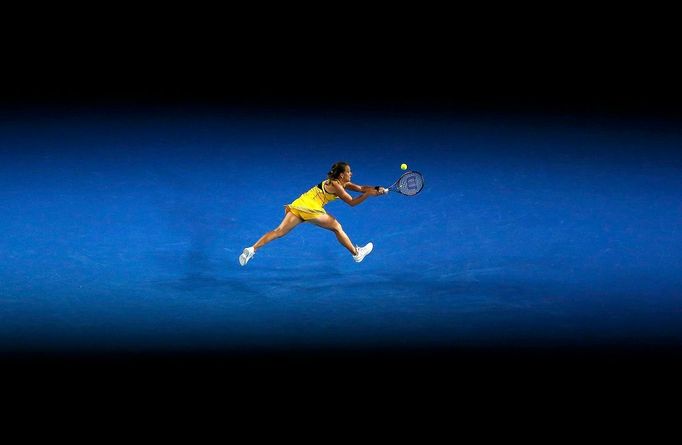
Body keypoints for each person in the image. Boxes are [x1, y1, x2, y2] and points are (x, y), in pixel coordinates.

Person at [239, 161, 387, 266]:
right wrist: (369, 195)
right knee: (336, 227)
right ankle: (356, 254)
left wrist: (376, 188)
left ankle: (252, 249)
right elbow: (352, 202)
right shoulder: (336, 186)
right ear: (342, 175)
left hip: (299, 205)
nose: (351, 173)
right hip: (311, 209)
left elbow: (361, 188)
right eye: (348, 171)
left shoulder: (340, 182)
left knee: (278, 231)